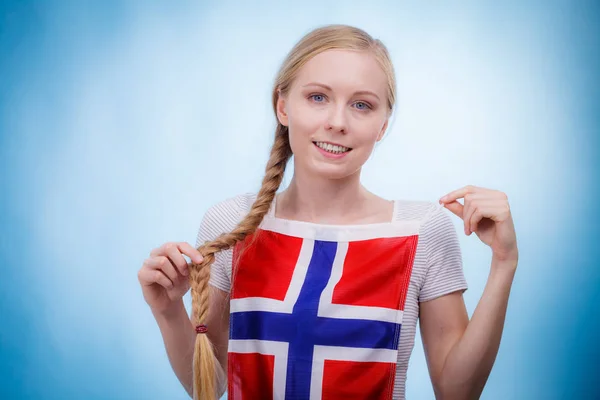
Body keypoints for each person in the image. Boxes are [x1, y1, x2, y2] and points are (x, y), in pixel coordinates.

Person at [137, 24, 519, 400]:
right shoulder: (231, 223)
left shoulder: (422, 231)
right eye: (318, 97)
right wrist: (169, 311)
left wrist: (504, 263)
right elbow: (209, 386)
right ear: (282, 106)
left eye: (361, 105)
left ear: (383, 125)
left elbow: (457, 392)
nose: (337, 122)